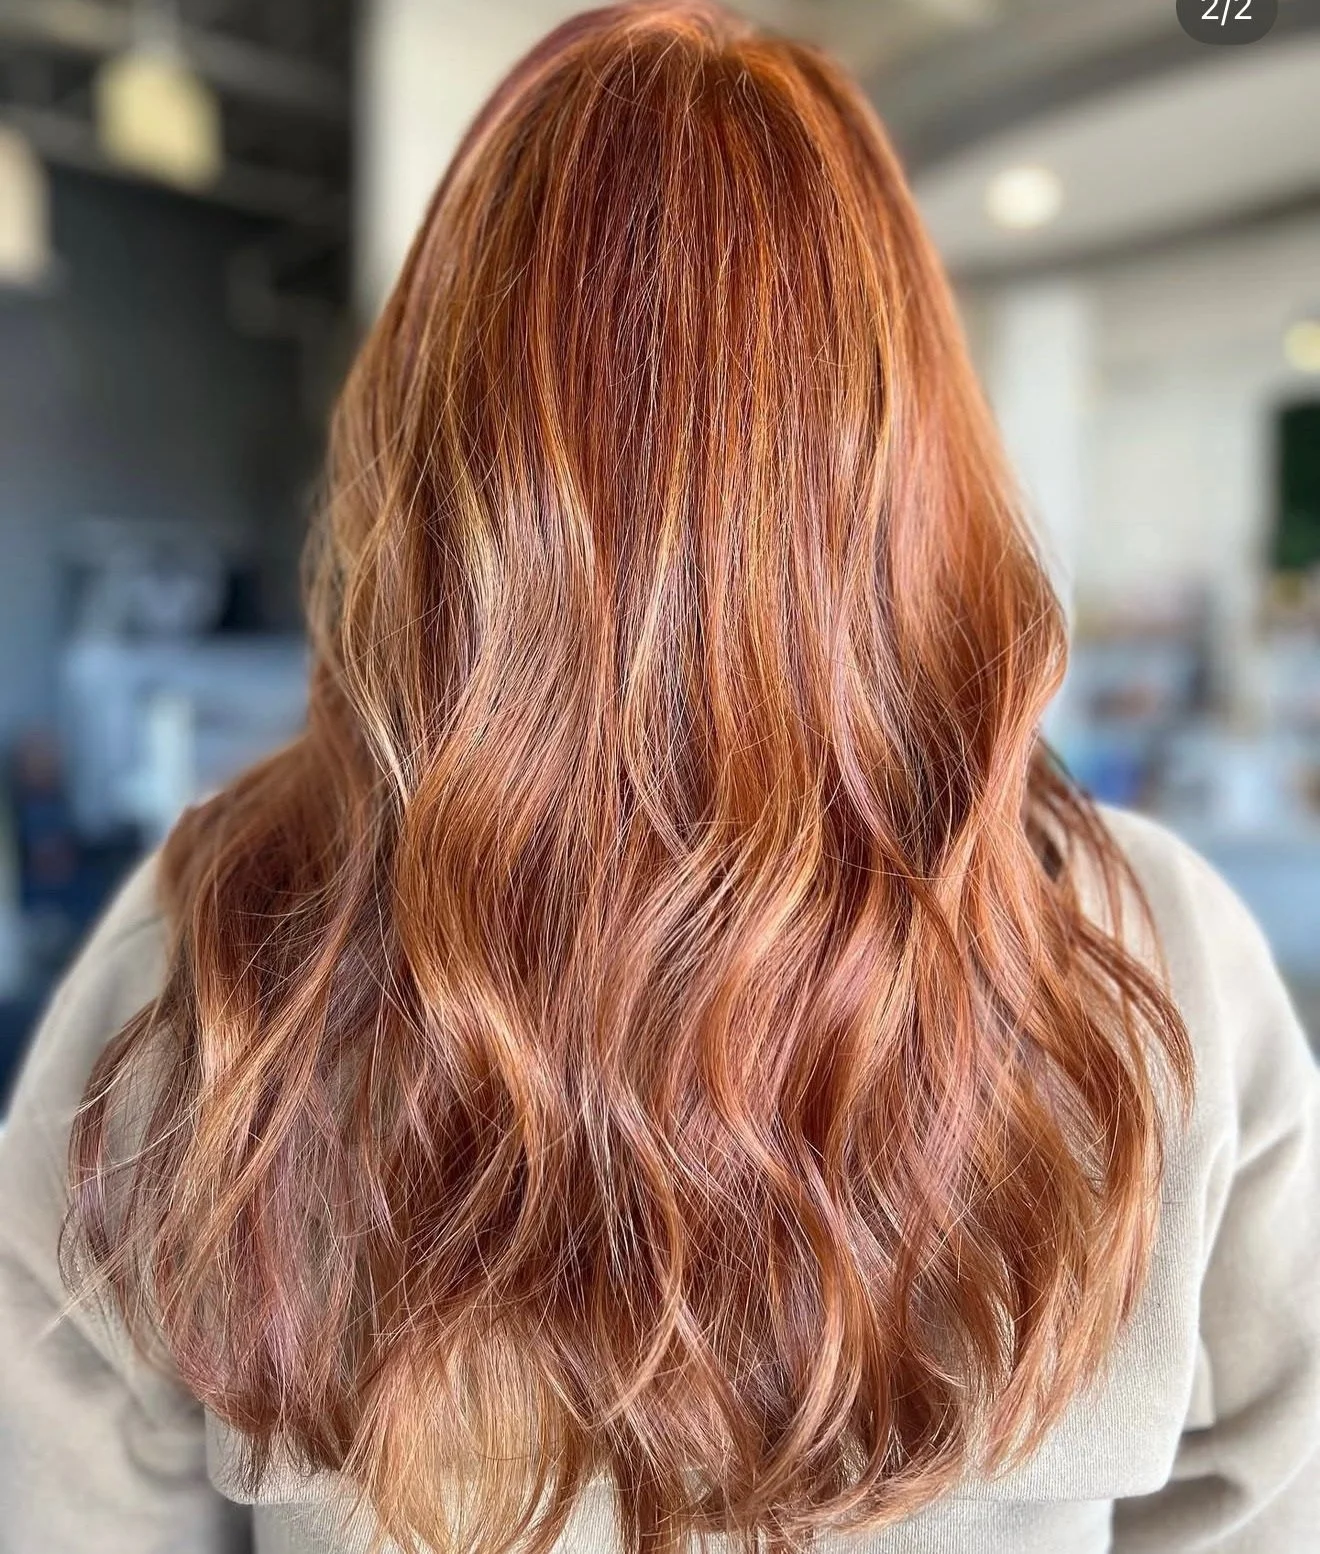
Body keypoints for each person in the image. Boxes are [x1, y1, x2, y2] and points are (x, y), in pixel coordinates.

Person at [1, 5, 1317, 1551]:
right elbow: (1268, 1503)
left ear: (434, 463)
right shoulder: (1150, 952)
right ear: (905, 463)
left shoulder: (212, 954)